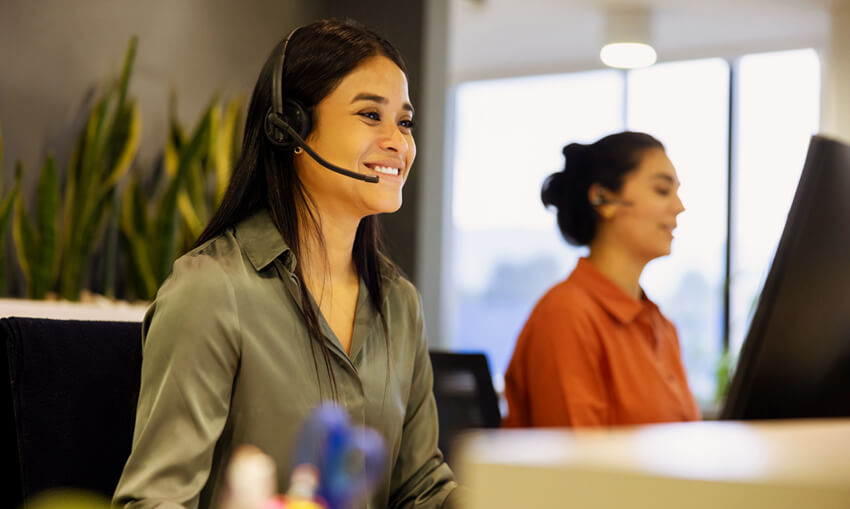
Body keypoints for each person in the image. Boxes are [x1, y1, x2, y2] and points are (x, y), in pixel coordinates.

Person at [113, 19, 460, 508]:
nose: (398, 143)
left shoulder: (399, 303)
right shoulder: (212, 290)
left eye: (403, 122)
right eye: (369, 115)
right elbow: (155, 500)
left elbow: (421, 489)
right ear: (291, 128)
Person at [502, 131, 701, 428]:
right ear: (602, 198)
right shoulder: (566, 316)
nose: (679, 207)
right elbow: (575, 467)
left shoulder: (663, 328)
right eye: (662, 190)